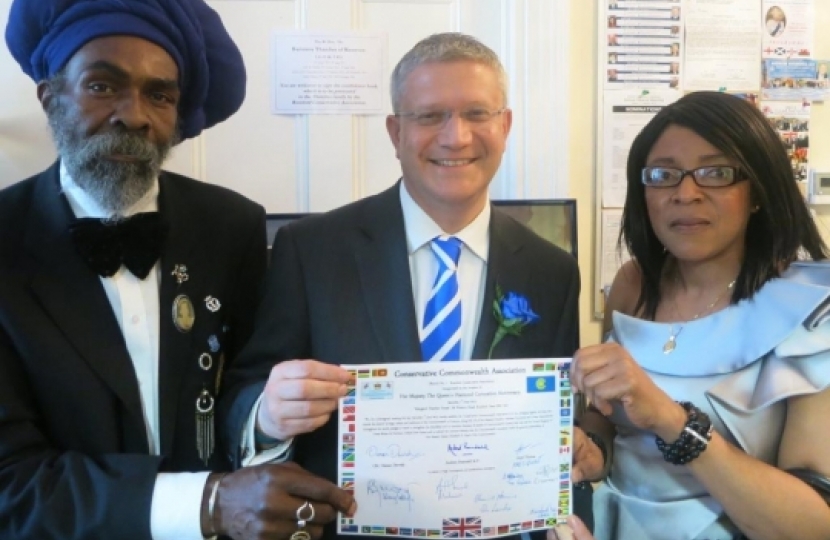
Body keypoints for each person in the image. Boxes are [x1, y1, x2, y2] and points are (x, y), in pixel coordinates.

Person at [219, 32, 609, 540]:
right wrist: (266, 414)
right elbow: (240, 398)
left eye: (477, 114)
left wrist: (566, 487)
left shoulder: (552, 271)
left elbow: (550, 419)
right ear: (394, 132)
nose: (456, 137)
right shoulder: (311, 250)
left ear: (505, 125)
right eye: (429, 116)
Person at [0, 0, 354, 539]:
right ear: (50, 99)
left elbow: (241, 383)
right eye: (102, 86)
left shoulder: (231, 224)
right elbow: (9, 483)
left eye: (160, 94)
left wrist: (264, 417)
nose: (134, 114)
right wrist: (207, 503)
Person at [574, 91, 830, 539]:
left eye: (715, 173)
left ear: (757, 190)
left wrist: (673, 421)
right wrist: (593, 445)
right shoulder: (633, 285)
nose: (685, 194)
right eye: (664, 175)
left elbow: (813, 525)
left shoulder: (810, 307)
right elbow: (609, 418)